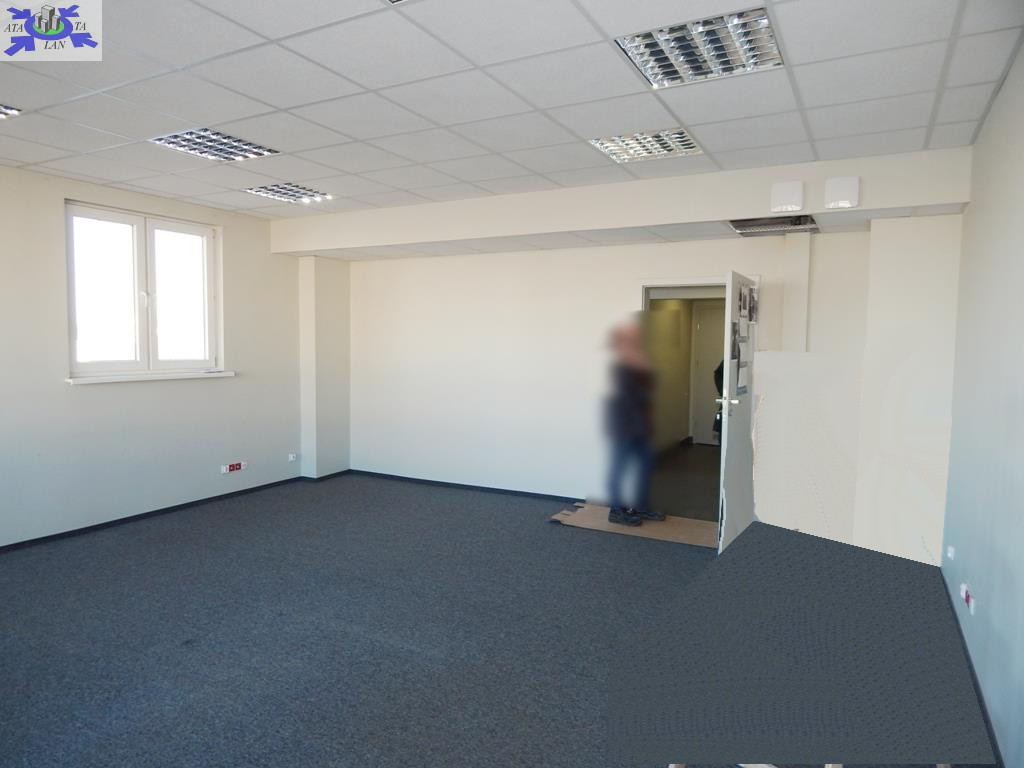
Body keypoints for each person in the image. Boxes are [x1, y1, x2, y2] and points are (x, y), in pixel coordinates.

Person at [604, 317, 665, 526]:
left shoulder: (637, 361)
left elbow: (650, 385)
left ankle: (641, 505)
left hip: (640, 425)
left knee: (647, 463)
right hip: (624, 426)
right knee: (619, 467)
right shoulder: (619, 365)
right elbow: (630, 395)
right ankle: (616, 510)